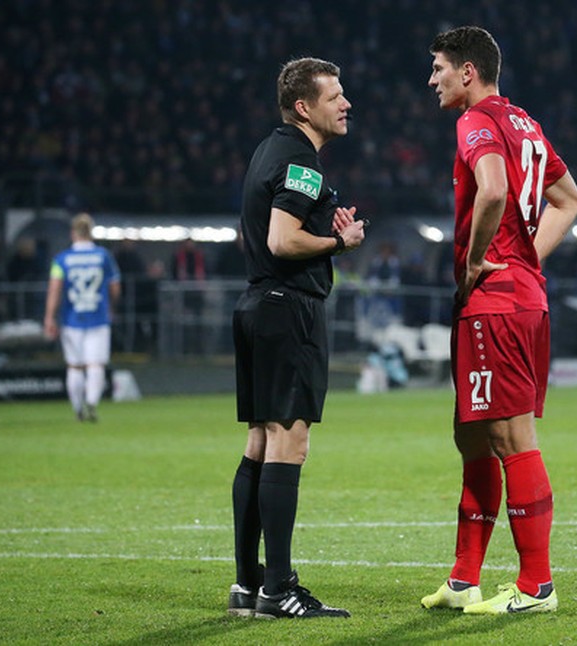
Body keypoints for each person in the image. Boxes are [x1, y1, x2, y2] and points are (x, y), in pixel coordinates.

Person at [421, 26, 577, 615]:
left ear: (468, 71)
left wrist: (477, 260)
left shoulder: (478, 121)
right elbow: (570, 200)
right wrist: (528, 258)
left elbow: (490, 192)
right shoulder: (525, 123)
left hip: (497, 302)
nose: (432, 78)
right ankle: (464, 577)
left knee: (511, 438)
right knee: (473, 434)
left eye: (438, 67)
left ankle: (537, 585)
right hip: (517, 296)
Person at [227, 56, 366, 620]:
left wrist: (322, 227)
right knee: (290, 443)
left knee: (260, 444)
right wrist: (340, 244)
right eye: (335, 96)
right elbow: (282, 240)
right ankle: (279, 588)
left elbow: (278, 229)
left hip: (260, 304)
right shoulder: (300, 160)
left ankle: (248, 583)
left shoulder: (270, 149)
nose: (346, 103)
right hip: (290, 312)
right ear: (305, 107)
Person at [43, 213, 121, 421]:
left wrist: (49, 317)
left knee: (75, 366)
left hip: (71, 320)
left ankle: (77, 408)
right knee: (95, 365)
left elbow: (54, 290)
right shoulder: (104, 256)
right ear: (91, 232)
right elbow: (115, 287)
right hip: (98, 317)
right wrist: (111, 307)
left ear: (73, 233)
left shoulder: (61, 259)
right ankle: (92, 402)